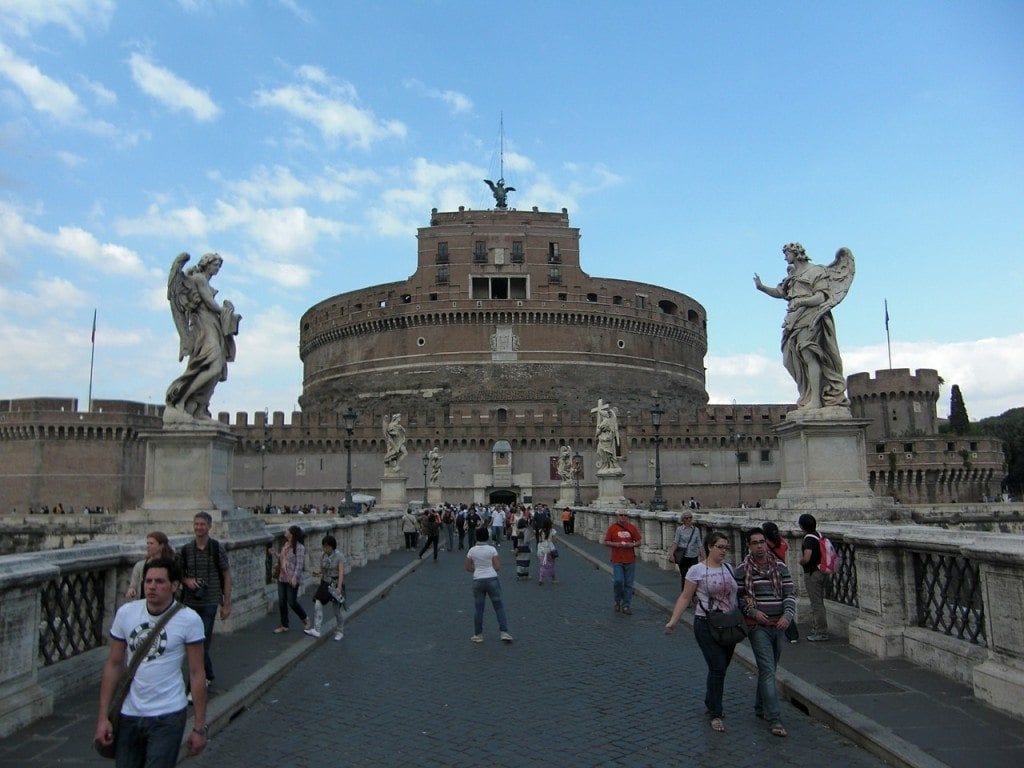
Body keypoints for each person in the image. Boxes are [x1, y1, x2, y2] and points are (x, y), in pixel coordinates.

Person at [95, 557, 208, 765]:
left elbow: (196, 672)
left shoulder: (189, 620)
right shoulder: (126, 613)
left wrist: (200, 727)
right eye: (148, 581)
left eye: (159, 582)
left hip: (168, 714)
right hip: (129, 713)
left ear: (174, 586)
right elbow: (114, 664)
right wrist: (103, 718)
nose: (152, 587)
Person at [753, 243, 854, 411]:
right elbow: (781, 293)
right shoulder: (792, 275)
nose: (785, 257)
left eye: (787, 254)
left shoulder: (816, 271)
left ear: (796, 253)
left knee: (809, 355)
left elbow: (821, 297)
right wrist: (762, 287)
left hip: (811, 315)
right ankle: (807, 394)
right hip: (794, 318)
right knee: (790, 359)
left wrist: (802, 301)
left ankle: (816, 400)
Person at [664, 531, 739, 733]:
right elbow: (685, 597)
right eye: (720, 547)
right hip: (705, 624)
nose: (724, 551)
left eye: (726, 547)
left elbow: (736, 596)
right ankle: (715, 713)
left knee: (721, 668)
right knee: (717, 666)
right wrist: (673, 621)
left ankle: (710, 700)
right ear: (709, 547)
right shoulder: (696, 571)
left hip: (728, 625)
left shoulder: (730, 569)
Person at [164, 252, 241, 423]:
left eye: (219, 266)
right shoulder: (198, 279)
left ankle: (199, 408)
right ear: (207, 264)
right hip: (203, 328)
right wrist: (228, 311)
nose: (218, 268)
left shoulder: (204, 281)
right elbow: (210, 303)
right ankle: (181, 401)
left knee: (217, 368)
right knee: (213, 365)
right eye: (216, 265)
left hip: (212, 325)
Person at [735, 528, 797, 737]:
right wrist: (753, 611)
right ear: (749, 546)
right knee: (768, 669)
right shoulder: (743, 570)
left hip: (779, 625)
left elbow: (789, 593)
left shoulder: (780, 567)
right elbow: (740, 598)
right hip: (757, 626)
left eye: (762, 542)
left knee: (767, 669)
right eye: (755, 543)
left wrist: (787, 616)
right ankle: (775, 719)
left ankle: (760, 707)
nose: (759, 546)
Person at [180, 511, 231, 687]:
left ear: (209, 527)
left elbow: (226, 575)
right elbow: (177, 574)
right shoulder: (186, 550)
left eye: (202, 524)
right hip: (190, 601)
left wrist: (226, 604)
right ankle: (208, 673)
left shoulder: (217, 548)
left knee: (202, 642)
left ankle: (193, 684)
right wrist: (187, 580)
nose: (199, 527)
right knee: (191, 642)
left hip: (210, 601)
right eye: (196, 524)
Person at [464, 527, 513, 643]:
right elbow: (497, 566)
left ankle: (478, 635)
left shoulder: (472, 550)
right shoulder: (492, 549)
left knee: (479, 609)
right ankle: (504, 632)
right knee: (499, 607)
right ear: (487, 536)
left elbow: (467, 567)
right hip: (492, 579)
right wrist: (488, 567)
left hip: (478, 579)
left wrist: (477, 569)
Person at [763, 521, 799, 643]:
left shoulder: (766, 545)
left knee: (774, 603)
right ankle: (793, 634)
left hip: (771, 575)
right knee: (785, 602)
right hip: (782, 572)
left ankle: (782, 631)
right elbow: (786, 547)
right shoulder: (782, 541)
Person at [305, 534, 346, 641]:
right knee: (318, 603)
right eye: (323, 546)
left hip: (335, 583)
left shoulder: (339, 556)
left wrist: (339, 587)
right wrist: (318, 573)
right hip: (325, 583)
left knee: (336, 611)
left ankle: (340, 631)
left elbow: (341, 572)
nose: (324, 549)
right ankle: (317, 629)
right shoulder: (323, 556)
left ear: (331, 546)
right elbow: (323, 570)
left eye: (326, 546)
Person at [798, 513, 830, 641]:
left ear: (802, 526)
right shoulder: (819, 535)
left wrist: (801, 561)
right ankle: (817, 627)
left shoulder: (808, 539)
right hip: (822, 571)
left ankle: (821, 632)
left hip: (813, 574)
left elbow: (807, 557)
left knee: (816, 604)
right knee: (819, 602)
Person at [274, 525, 311, 633]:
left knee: (292, 601)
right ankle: (284, 625)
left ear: (292, 534)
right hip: (282, 577)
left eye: (288, 530)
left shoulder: (299, 547)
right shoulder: (285, 545)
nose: (285, 531)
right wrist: (274, 554)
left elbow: (299, 565)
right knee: (281, 602)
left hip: (292, 578)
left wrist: (294, 578)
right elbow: (282, 559)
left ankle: (305, 618)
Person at [604, 509, 641, 614]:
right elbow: (606, 541)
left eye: (625, 515)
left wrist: (632, 545)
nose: (623, 517)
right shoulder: (612, 528)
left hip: (630, 559)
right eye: (621, 515)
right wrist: (616, 544)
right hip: (617, 559)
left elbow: (638, 541)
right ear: (617, 516)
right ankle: (617, 600)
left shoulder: (632, 528)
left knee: (629, 584)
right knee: (618, 581)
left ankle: (626, 605)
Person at [125, 531, 175, 599]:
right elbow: (133, 585)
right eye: (147, 543)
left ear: (161, 546)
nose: (148, 546)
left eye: (151, 543)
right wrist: (131, 590)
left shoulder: (171, 564)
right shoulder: (140, 566)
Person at [668, 512, 704, 590]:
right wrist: (671, 554)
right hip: (683, 556)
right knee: (684, 576)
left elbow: (699, 543)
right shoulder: (679, 529)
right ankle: (684, 595)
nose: (689, 519)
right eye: (687, 518)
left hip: (693, 556)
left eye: (690, 517)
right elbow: (676, 542)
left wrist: (703, 556)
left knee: (694, 576)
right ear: (683, 519)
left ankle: (693, 594)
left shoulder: (696, 530)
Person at [536, 520, 557, 586]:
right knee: (551, 564)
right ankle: (553, 578)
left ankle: (541, 579)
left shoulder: (540, 530)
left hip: (541, 548)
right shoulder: (552, 531)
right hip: (550, 548)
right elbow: (555, 541)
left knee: (543, 564)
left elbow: (539, 540)